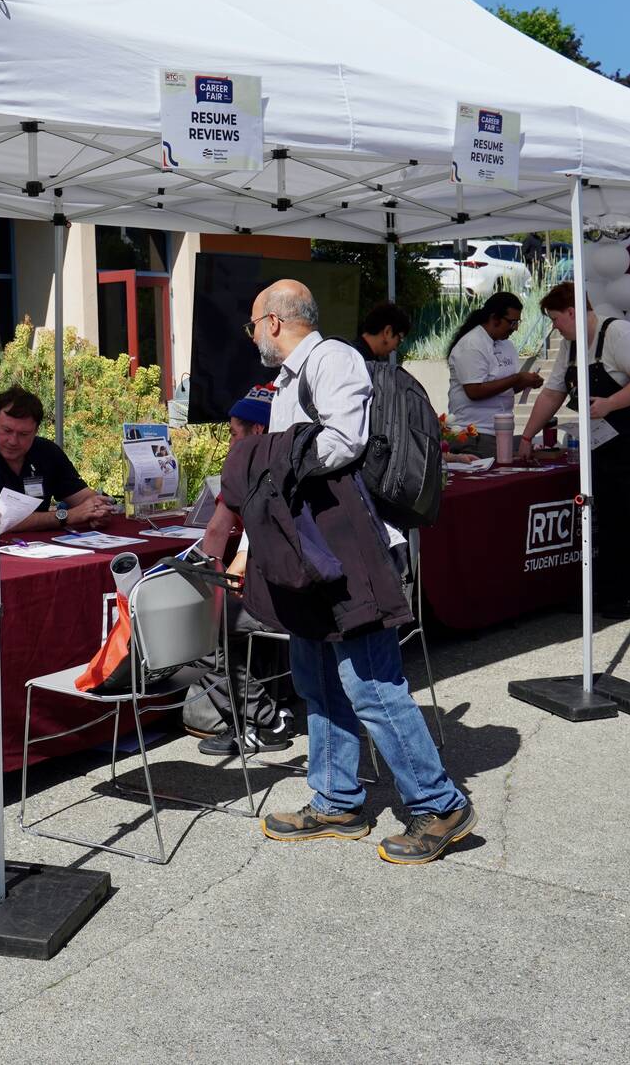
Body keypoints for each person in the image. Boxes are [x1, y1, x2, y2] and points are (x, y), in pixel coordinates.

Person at [205, 278, 476, 865]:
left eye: (254, 324)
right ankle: (335, 800)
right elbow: (273, 484)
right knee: (318, 680)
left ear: (275, 321)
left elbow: (343, 443)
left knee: (372, 686)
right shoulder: (287, 381)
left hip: (351, 550)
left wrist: (270, 455)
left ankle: (440, 804)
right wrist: (253, 541)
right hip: (311, 553)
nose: (253, 335)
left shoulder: (333, 359)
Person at [522, 281, 630, 617]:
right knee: (610, 516)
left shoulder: (620, 334)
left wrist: (610, 403)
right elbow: (553, 393)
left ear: (573, 311)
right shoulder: (572, 345)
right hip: (609, 442)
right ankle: (612, 592)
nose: (554, 327)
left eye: (555, 319)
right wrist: (526, 437)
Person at [185, 385, 300, 758]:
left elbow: (216, 533)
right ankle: (264, 709)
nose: (231, 443)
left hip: (285, 602)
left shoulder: (244, 466)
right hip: (328, 599)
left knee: (200, 627)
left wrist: (197, 581)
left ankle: (265, 720)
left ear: (257, 432)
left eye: (235, 433)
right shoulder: (308, 457)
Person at [0, 387, 113, 533]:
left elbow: (83, 496)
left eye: (23, 434)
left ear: (36, 431)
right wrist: (65, 516)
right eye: (6, 430)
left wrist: (98, 510)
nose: (13, 440)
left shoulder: (46, 452)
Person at [445, 291, 542, 457]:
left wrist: (526, 382)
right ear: (494, 318)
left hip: (501, 430)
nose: (516, 328)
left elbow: (504, 388)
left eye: (518, 322)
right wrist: (517, 378)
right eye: (512, 322)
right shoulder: (471, 344)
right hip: (474, 433)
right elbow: (474, 391)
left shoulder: (507, 346)